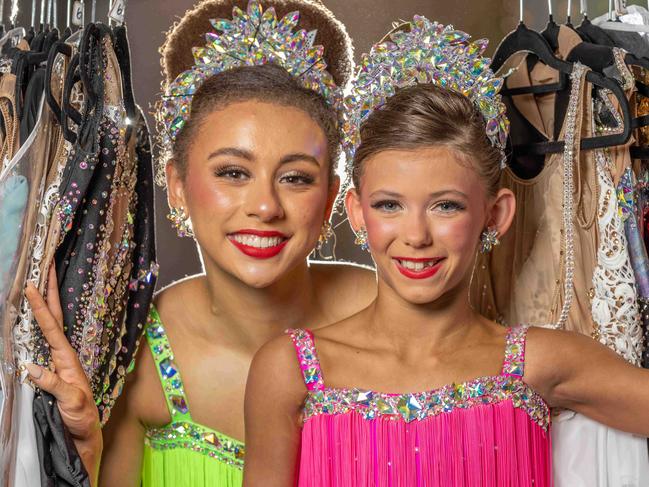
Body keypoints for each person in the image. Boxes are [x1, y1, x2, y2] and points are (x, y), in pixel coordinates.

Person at [243, 17, 649, 486]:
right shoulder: (290, 370)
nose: (416, 236)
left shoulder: (541, 362)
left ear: (495, 215)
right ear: (357, 212)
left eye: (446, 206)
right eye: (389, 205)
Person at [24, 1, 376, 485]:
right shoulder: (136, 359)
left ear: (332, 198)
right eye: (233, 173)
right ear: (177, 186)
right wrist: (85, 448)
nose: (266, 206)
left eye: (296, 177)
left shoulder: (388, 315)